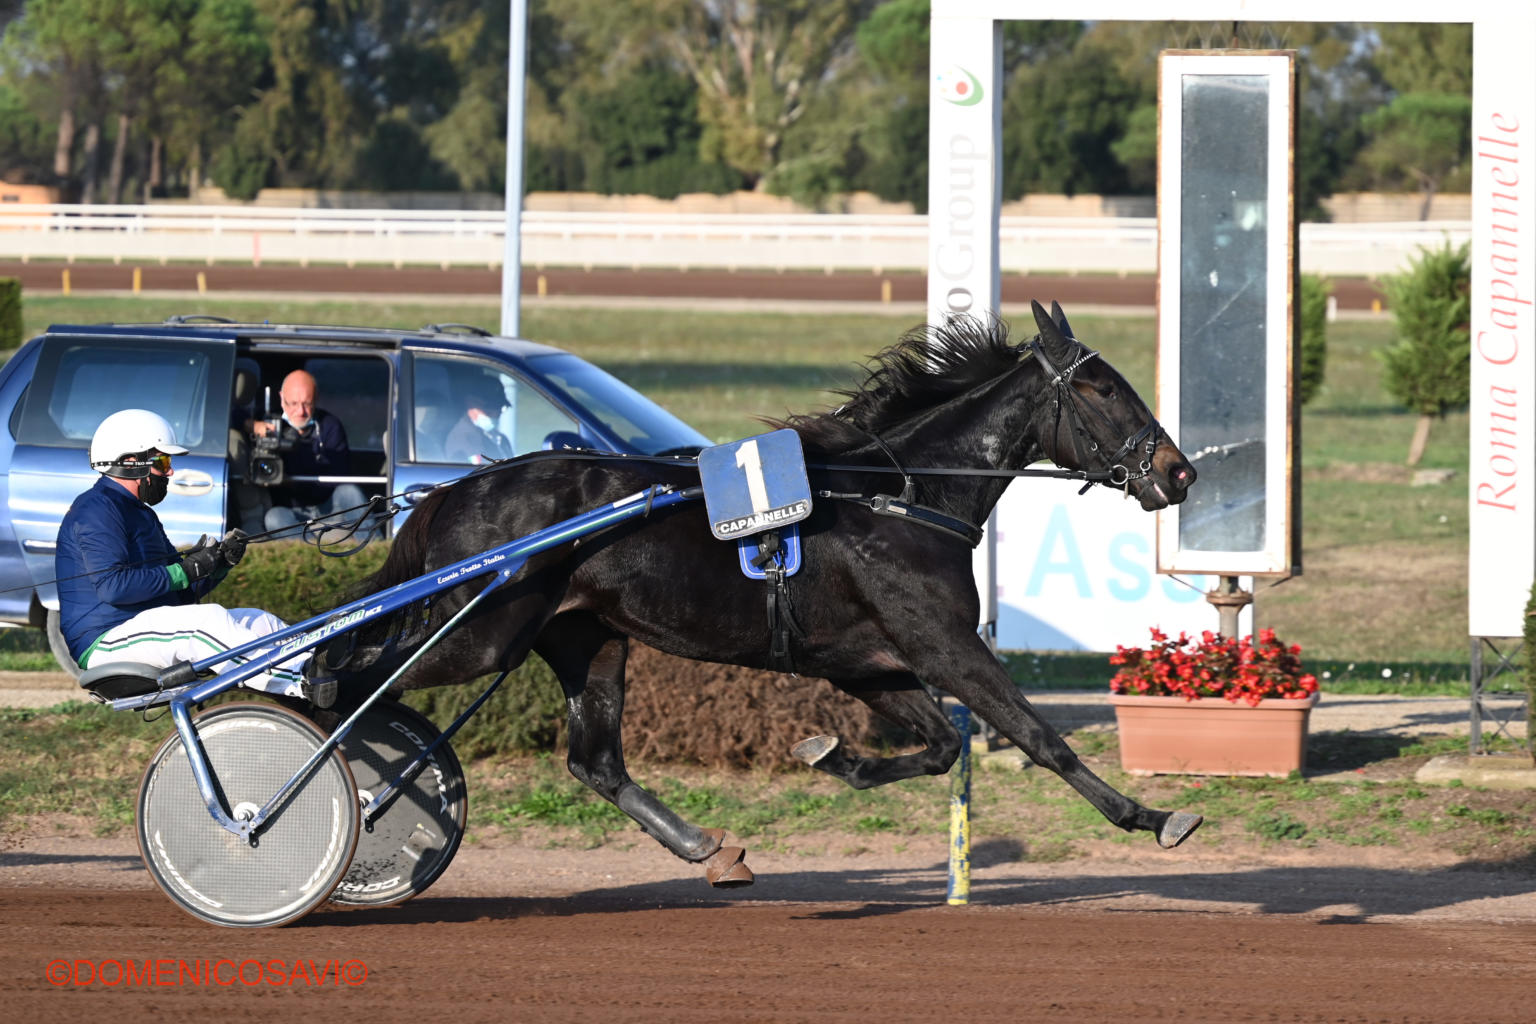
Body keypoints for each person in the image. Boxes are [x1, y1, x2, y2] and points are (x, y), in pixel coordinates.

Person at [54, 409, 307, 697]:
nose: (170, 470)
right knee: (206, 622)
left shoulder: (142, 515)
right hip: (104, 639)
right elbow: (114, 587)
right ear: (130, 462)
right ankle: (302, 681)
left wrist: (219, 564)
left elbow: (181, 595)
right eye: (162, 461)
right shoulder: (97, 509)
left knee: (257, 621)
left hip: (140, 628)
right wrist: (187, 570)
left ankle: (317, 664)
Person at [254, 369, 369, 536]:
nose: (301, 412)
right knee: (274, 517)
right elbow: (228, 417)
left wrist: (292, 482)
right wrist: (253, 425)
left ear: (316, 399)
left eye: (307, 404)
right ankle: (312, 559)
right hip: (289, 510)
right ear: (281, 398)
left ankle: (376, 554)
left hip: (328, 506)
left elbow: (340, 476)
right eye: (293, 403)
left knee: (349, 492)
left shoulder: (330, 425)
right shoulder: (270, 423)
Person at [443, 379, 512, 465]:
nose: (496, 413)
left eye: (500, 407)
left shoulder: (501, 439)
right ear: (470, 403)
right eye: (490, 407)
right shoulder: (463, 438)